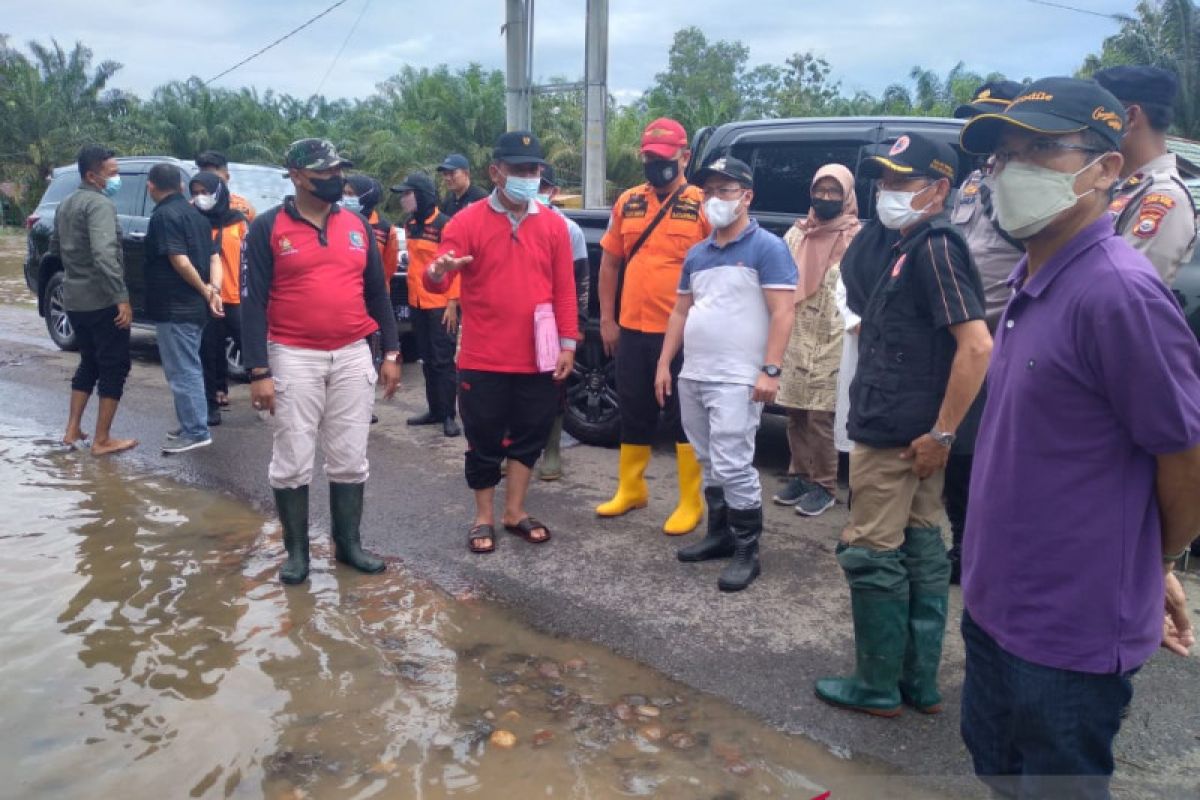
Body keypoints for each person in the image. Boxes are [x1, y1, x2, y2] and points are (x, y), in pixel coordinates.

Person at [958, 77, 1200, 798]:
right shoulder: (1035, 283)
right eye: (1003, 154)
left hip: (1069, 636)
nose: (1010, 170)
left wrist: (1151, 559)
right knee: (997, 773)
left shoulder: (1117, 293)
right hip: (997, 610)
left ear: (1104, 169)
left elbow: (1183, 456)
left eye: (1040, 150)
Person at [814, 132, 992, 718]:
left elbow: (976, 346)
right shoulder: (900, 243)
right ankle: (918, 682)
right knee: (920, 549)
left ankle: (877, 684)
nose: (888, 192)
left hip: (901, 435)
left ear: (939, 189)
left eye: (902, 182)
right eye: (883, 181)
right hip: (909, 430)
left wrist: (942, 434)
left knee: (870, 552)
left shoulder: (935, 247)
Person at [242, 138, 401, 584]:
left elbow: (377, 293)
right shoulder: (267, 228)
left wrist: (390, 352)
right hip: (292, 355)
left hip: (353, 353)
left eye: (337, 172)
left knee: (350, 457)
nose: (335, 180)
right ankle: (297, 553)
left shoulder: (356, 226)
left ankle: (347, 545)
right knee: (293, 458)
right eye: (324, 174)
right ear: (295, 175)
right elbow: (252, 303)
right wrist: (259, 371)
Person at [423, 131, 578, 555]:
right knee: (483, 438)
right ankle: (483, 517)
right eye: (519, 169)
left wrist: (568, 344)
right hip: (483, 357)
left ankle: (514, 512)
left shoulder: (552, 225)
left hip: (539, 356)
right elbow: (437, 276)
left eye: (534, 170)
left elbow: (564, 290)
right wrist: (440, 271)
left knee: (530, 435)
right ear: (496, 172)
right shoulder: (466, 222)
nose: (528, 177)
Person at [655, 156, 797, 591]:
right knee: (708, 459)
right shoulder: (697, 253)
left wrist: (770, 370)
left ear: (747, 197)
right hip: (694, 374)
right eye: (709, 191)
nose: (714, 199)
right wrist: (665, 363)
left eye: (726, 190)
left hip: (738, 378)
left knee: (734, 461)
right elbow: (681, 311)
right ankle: (717, 535)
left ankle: (746, 550)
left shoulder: (767, 247)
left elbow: (783, 312)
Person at [596, 117, 712, 535]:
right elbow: (610, 262)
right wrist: (607, 319)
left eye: (662, 158)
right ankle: (632, 489)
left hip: (683, 334)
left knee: (685, 416)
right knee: (633, 409)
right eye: (648, 158)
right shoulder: (627, 201)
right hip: (631, 329)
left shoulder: (702, 204)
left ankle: (690, 502)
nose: (654, 165)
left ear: (685, 157)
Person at [943, 80, 1026, 584]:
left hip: (1001, 336)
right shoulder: (973, 179)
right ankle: (964, 544)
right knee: (957, 451)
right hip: (960, 330)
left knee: (984, 454)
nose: (976, 125)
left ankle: (985, 549)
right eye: (972, 115)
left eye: (988, 116)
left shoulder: (1029, 182)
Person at [774, 164, 861, 517]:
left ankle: (824, 485)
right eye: (820, 191)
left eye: (834, 192)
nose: (825, 198)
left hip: (833, 337)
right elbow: (779, 281)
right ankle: (799, 474)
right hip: (796, 333)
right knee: (794, 410)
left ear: (847, 196)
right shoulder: (797, 235)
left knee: (821, 416)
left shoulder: (855, 237)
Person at [49, 144, 137, 456]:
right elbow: (104, 254)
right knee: (115, 365)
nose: (117, 179)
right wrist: (121, 297)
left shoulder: (66, 203)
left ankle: (72, 430)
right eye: (112, 174)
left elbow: (55, 247)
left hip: (75, 298)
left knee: (89, 361)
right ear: (92, 175)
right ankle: (102, 439)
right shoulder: (99, 205)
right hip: (102, 300)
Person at [144, 163, 223, 455]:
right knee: (189, 365)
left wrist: (205, 290)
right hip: (194, 308)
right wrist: (212, 291)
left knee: (183, 370)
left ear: (151, 186)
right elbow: (215, 258)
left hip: (176, 307)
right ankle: (192, 421)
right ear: (180, 187)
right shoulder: (197, 216)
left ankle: (195, 431)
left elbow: (179, 260)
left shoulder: (165, 216)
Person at [1094, 65, 1198, 284]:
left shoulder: (1163, 197)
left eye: (1098, 115)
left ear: (1130, 117)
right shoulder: (1123, 188)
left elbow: (1120, 291)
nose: (1090, 127)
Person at [394, 172, 461, 437]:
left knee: (443, 360)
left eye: (408, 194)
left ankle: (448, 415)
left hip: (441, 303)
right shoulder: (410, 224)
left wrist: (453, 302)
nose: (404, 200)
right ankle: (434, 410)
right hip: (417, 302)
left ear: (421, 195)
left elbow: (455, 267)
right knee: (427, 359)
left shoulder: (446, 224)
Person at [535, 163, 590, 481]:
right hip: (517, 319)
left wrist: (576, 328)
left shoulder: (568, 230)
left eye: (543, 186)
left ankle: (552, 449)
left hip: (553, 321)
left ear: (554, 192)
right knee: (513, 386)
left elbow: (581, 281)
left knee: (554, 386)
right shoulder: (508, 223)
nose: (537, 192)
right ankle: (511, 447)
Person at [191, 171, 248, 423]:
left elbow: (251, 258)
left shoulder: (238, 221)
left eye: (205, 192)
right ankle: (211, 403)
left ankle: (274, 396)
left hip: (236, 297)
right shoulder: (193, 221)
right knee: (209, 351)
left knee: (250, 346)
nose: (200, 198)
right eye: (196, 192)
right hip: (206, 296)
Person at [344, 175, 401, 284]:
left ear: (366, 197)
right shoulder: (337, 222)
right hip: (346, 289)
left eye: (350, 194)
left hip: (374, 293)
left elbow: (389, 268)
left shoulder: (386, 230)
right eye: (344, 193)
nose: (345, 198)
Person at [195, 151, 256, 221]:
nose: (211, 184)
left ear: (227, 177)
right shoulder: (190, 210)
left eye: (216, 179)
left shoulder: (244, 208)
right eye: (205, 180)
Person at [437, 153, 487, 218]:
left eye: (452, 173)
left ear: (466, 173)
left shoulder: (480, 198)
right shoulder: (448, 201)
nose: (448, 178)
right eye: (445, 174)